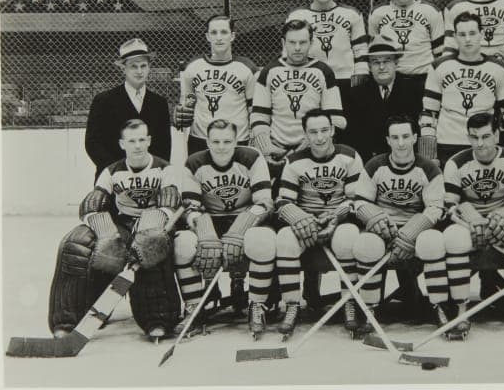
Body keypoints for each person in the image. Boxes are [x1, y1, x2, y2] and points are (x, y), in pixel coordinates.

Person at [48, 119, 183, 339]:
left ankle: (157, 318)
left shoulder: (164, 168)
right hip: (122, 223)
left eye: (141, 139)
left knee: (151, 246)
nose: (137, 145)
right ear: (122, 144)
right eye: (132, 141)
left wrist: (149, 231)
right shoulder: (112, 171)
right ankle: (68, 320)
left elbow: (170, 204)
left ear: (149, 140)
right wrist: (106, 234)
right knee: (76, 245)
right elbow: (92, 204)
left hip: (154, 225)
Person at [272, 109, 374, 338]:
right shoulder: (295, 160)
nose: (319, 137)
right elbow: (284, 200)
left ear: (333, 130)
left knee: (349, 236)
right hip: (306, 219)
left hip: (339, 218)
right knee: (285, 239)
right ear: (305, 135)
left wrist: (336, 217)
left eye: (324, 130)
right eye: (313, 132)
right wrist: (301, 218)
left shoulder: (349, 155)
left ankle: (348, 302)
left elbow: (356, 198)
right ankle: (292, 305)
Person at [172, 119, 276, 338]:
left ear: (236, 140)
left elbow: (264, 202)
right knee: (182, 243)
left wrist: (242, 227)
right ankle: (194, 308)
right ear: (207, 142)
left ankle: (257, 306)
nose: (221, 147)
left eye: (227, 141)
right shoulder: (194, 162)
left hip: (246, 217)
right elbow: (190, 206)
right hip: (211, 219)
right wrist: (202, 228)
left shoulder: (252, 158)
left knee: (264, 240)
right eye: (216, 141)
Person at [441, 112, 504, 338]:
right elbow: (448, 208)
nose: (480, 143)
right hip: (470, 224)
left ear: (497, 134)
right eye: (474, 137)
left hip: (503, 222)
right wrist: (469, 217)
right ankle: (461, 310)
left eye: (485, 136)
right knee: (453, 239)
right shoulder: (456, 162)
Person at [350, 115, 447, 323]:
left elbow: (435, 207)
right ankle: (370, 311)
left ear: (414, 137)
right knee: (366, 244)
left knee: (433, 242)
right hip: (383, 227)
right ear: (388, 140)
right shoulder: (375, 165)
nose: (401, 143)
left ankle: (440, 307)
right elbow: (359, 201)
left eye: (405, 136)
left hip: (414, 229)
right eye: (395, 137)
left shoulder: (429, 168)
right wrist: (375, 219)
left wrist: (410, 233)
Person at [419, 11, 504, 168]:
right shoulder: (439, 66)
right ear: (454, 37)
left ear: (481, 34)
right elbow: (428, 117)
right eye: (462, 34)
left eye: (472, 33)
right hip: (448, 142)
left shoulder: (498, 68)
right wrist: (429, 160)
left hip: (485, 143)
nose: (467, 39)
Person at [250, 19, 346, 170]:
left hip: (312, 147)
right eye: (292, 42)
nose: (297, 48)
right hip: (276, 148)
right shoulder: (269, 71)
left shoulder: (323, 71)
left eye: (302, 42)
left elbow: (337, 119)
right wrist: (267, 148)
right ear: (283, 43)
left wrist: (305, 148)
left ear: (311, 42)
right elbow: (259, 116)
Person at [84, 38, 172, 178]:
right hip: (113, 178)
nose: (139, 71)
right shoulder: (104, 100)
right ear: (123, 68)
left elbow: (164, 146)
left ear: (149, 67)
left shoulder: (159, 103)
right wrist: (118, 172)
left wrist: (152, 173)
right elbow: (92, 143)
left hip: (150, 179)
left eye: (143, 66)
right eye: (133, 66)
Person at [172, 15, 258, 154]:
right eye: (214, 32)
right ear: (207, 36)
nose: (219, 37)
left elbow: (253, 109)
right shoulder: (193, 67)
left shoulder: (247, 68)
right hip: (200, 139)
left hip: (237, 139)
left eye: (224, 32)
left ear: (232, 36)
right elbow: (185, 103)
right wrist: (181, 114)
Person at [367, 0, 446, 108]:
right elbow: (375, 54)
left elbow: (440, 54)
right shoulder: (377, 14)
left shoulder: (431, 11)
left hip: (424, 79)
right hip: (393, 81)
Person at [286, 0, 370, 95]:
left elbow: (361, 50)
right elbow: (288, 53)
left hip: (345, 80)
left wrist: (360, 80)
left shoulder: (351, 14)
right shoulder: (297, 16)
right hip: (311, 79)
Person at [342, 35, 423, 162]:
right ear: (369, 66)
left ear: (396, 63)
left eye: (386, 61)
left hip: (405, 159)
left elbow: (418, 131)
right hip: (369, 161)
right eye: (376, 62)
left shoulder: (414, 91)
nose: (381, 67)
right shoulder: (356, 94)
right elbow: (352, 136)